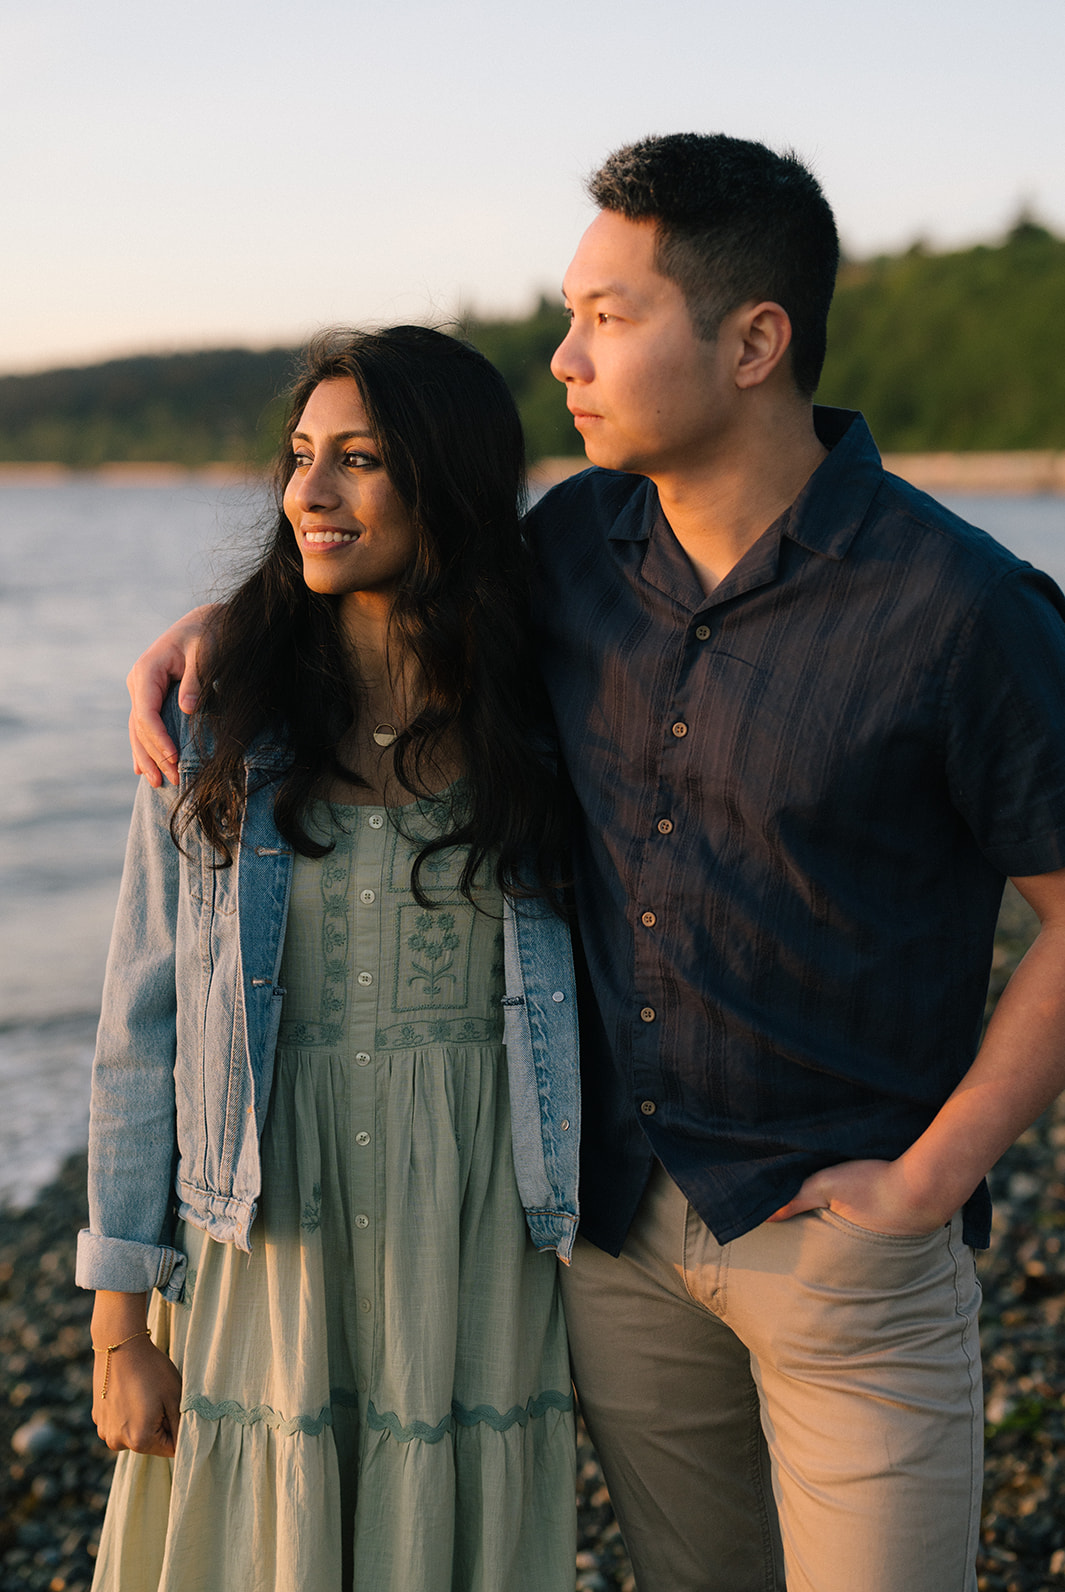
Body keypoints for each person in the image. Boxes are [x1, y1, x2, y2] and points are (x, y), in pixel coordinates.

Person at [126, 134, 1065, 1592]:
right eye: (569, 313)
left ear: (754, 342)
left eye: (606, 319)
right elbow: (377, 575)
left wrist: (933, 1179)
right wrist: (219, 640)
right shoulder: (567, 549)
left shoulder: (959, 607)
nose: (562, 355)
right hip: (613, 1238)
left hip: (844, 1241)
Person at [76, 324, 581, 1592]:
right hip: (266, 1222)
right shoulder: (214, 717)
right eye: (302, 456)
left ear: (449, 479)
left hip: (475, 1225)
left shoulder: (553, 707)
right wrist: (118, 1324)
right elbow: (143, 1021)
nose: (308, 490)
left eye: (359, 459)